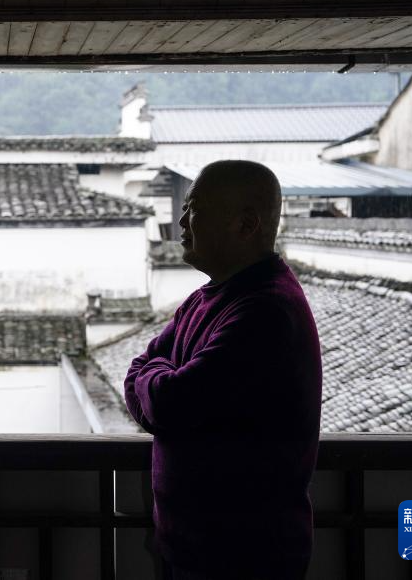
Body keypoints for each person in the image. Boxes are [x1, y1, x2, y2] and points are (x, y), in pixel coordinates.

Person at [123, 160, 322, 580]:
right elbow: (136, 375)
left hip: (246, 556)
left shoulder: (266, 310)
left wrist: (156, 381)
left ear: (246, 224)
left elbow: (170, 404)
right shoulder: (207, 298)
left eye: (194, 208)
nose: (181, 221)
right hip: (194, 548)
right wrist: (158, 381)